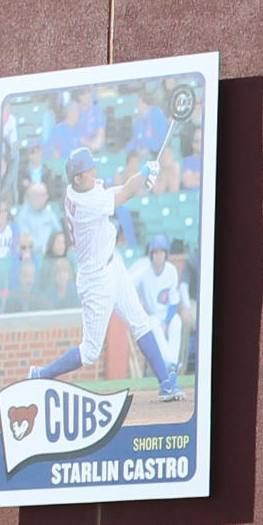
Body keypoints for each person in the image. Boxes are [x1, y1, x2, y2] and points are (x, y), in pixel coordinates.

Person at [27, 143, 182, 402]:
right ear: (78, 177)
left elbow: (121, 189)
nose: (95, 169)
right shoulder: (85, 201)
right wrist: (144, 174)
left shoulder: (75, 188)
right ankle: (41, 374)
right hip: (96, 278)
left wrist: (141, 180)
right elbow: (123, 195)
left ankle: (166, 382)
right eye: (89, 169)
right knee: (90, 352)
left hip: (113, 265)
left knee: (140, 322)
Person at [133, 235, 195, 389]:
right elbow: (130, 288)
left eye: (161, 252)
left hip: (168, 314)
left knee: (176, 322)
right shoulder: (143, 273)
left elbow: (174, 302)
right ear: (151, 254)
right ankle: (171, 365)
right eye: (155, 252)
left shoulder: (171, 270)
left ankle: (172, 365)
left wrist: (167, 322)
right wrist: (138, 302)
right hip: (152, 315)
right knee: (154, 326)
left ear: (166, 254)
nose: (158, 256)